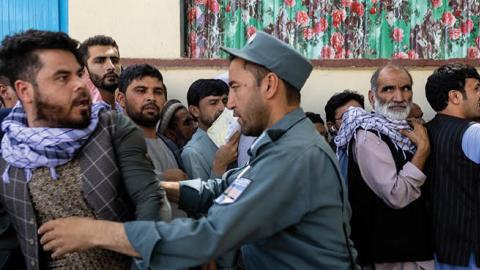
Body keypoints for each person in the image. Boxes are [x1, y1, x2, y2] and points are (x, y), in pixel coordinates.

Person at [37, 31, 357, 270]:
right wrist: (161, 187)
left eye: (234, 88)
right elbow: (226, 188)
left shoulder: (294, 157)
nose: (229, 105)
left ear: (270, 85)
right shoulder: (280, 144)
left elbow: (208, 236)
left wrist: (97, 233)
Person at [0, 30, 164, 270]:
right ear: (25, 91)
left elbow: (151, 200)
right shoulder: (8, 144)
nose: (79, 84)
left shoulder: (112, 128)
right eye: (62, 77)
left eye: (79, 74)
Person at [335, 64, 433, 269]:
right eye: (388, 89)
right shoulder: (369, 136)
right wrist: (422, 151)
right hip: (389, 258)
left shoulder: (403, 129)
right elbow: (396, 195)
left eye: (406, 88)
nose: (399, 97)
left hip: (411, 250)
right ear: (372, 98)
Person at [424, 63, 480, 269]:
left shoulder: (427, 130)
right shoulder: (473, 132)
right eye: (476, 88)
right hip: (470, 252)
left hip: (442, 249)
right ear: (455, 97)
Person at [181, 79, 231, 180]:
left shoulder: (236, 135)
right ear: (195, 111)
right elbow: (203, 195)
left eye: (225, 101)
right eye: (213, 103)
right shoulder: (192, 152)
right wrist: (220, 165)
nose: (222, 108)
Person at [324, 90, 365, 181]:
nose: (356, 120)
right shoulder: (326, 157)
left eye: (360, 113)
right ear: (332, 126)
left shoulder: (379, 145)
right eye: (346, 117)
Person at [78, 35, 122, 110]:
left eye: (115, 61)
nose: (111, 67)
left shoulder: (125, 112)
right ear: (84, 70)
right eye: (100, 61)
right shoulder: (84, 116)